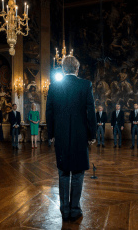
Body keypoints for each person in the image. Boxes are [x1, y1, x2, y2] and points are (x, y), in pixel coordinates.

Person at [46, 56, 97, 222]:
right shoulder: (85, 85)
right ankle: (75, 210)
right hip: (80, 136)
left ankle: (64, 210)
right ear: (77, 69)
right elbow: (91, 113)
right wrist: (92, 135)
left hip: (60, 136)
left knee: (63, 174)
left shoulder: (54, 87)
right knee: (77, 173)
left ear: (62, 69)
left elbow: (49, 113)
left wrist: (51, 134)